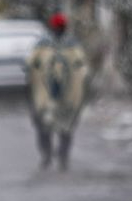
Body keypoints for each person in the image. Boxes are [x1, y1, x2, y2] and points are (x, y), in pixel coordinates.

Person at [27, 12, 89, 171]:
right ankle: (47, 155)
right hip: (44, 96)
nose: (58, 30)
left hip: (68, 96)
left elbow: (81, 67)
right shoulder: (42, 45)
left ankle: (62, 156)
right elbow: (31, 65)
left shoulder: (72, 45)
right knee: (44, 127)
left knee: (66, 127)